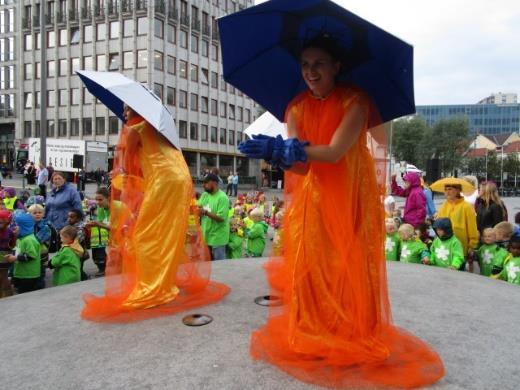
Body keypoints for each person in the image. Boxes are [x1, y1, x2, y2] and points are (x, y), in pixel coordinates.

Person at [239, 35, 444, 388]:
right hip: (313, 198)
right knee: (312, 263)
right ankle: (314, 332)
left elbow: (334, 153)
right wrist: (278, 153)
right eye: (304, 64)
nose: (310, 71)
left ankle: (347, 332)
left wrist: (289, 148)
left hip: (350, 194)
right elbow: (302, 168)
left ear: (337, 66)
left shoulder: (356, 102)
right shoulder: (295, 109)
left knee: (346, 263)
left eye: (318, 63)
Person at [82, 104, 229, 322]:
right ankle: (164, 282)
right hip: (178, 181)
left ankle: (155, 287)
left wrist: (120, 172)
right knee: (167, 234)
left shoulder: (136, 128)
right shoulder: (160, 130)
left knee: (144, 236)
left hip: (164, 182)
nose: (124, 114)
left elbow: (128, 162)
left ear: (139, 110)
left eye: (128, 109)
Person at [436, 183, 479, 270]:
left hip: (460, 245)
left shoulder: (467, 207)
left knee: (458, 270)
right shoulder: (443, 206)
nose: (447, 192)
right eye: (446, 189)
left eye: (450, 189)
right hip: (445, 245)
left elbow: (472, 227)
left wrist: (472, 245)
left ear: (458, 190)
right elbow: (438, 224)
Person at [4, 213, 41, 293]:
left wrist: (15, 258)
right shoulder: (20, 239)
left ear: (23, 227)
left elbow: (31, 256)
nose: (13, 227)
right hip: (21, 273)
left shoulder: (29, 240)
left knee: (26, 296)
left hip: (29, 276)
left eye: (16, 225)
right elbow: (18, 252)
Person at [197, 173, 230, 260]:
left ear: (214, 183)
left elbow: (221, 218)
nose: (203, 185)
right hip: (206, 236)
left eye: (206, 183)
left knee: (219, 266)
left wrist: (205, 212)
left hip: (218, 238)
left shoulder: (222, 198)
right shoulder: (205, 195)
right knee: (208, 265)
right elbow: (198, 206)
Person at [86, 187, 110, 276]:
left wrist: (98, 224)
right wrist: (92, 224)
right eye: (96, 200)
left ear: (108, 198)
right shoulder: (101, 209)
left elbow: (117, 228)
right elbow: (102, 223)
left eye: (100, 199)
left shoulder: (117, 207)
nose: (98, 202)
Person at [27, 204, 52, 289]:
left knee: (41, 273)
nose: (37, 214)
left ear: (43, 214)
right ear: (29, 214)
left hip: (42, 254)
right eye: (34, 213)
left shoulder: (46, 226)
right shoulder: (28, 225)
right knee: (32, 271)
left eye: (40, 212)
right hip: (32, 253)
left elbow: (38, 240)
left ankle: (40, 288)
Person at [67, 209, 90, 281]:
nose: (69, 219)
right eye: (68, 217)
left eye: (71, 217)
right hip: (75, 250)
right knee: (78, 266)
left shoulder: (80, 228)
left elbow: (78, 239)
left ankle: (83, 278)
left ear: (78, 218)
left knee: (78, 267)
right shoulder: (73, 226)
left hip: (79, 251)